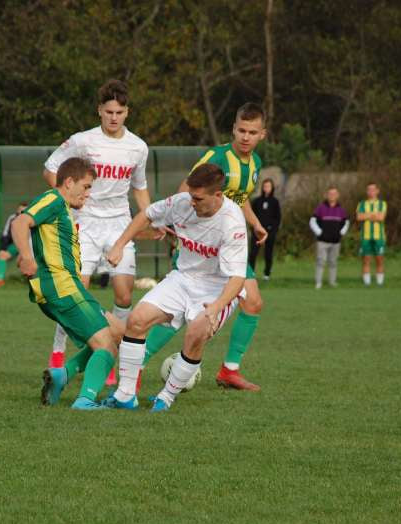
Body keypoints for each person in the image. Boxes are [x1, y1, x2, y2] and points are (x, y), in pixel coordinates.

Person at [141, 102, 268, 392]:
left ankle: (229, 371)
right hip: (200, 243)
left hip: (228, 243)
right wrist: (180, 229)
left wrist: (256, 222)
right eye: (241, 130)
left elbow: (239, 197)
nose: (245, 137)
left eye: (252, 132)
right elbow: (189, 190)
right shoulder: (218, 156)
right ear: (233, 129)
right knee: (178, 310)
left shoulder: (255, 164)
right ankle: (138, 361)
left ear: (262, 134)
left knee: (253, 302)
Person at [103, 163, 248, 412]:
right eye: (191, 195)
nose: (192, 202)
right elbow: (147, 214)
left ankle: (166, 397)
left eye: (198, 198)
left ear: (217, 195)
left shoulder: (232, 222)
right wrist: (119, 245)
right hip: (183, 278)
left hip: (217, 288)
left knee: (196, 334)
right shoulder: (182, 202)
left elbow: (237, 278)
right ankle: (125, 395)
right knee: (137, 320)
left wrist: (216, 307)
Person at [42, 79, 150, 374]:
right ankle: (58, 354)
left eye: (120, 112)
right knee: (76, 292)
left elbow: (139, 188)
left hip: (119, 224)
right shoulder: (83, 141)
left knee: (124, 294)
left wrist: (150, 216)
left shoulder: (138, 147)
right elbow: (50, 168)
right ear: (99, 110)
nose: (114, 117)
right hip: (85, 223)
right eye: (109, 111)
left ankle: (113, 353)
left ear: (127, 112)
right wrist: (70, 200)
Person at [11, 157, 124, 410]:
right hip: (61, 287)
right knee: (105, 343)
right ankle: (85, 400)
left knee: (118, 332)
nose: (88, 194)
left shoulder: (62, 208)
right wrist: (27, 257)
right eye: (85, 187)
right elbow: (21, 222)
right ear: (69, 182)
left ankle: (62, 375)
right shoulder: (53, 199)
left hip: (65, 287)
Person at [309, 187, 349, 288]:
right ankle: (318, 282)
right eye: (330, 194)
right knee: (320, 261)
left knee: (333, 262)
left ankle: (332, 282)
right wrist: (320, 233)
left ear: (337, 195)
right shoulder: (320, 208)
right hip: (322, 241)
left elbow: (346, 223)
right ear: (326, 195)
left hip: (336, 241)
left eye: (334, 194)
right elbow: (312, 222)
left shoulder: (341, 210)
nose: (332, 196)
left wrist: (341, 233)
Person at [249, 178, 281, 280]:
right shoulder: (257, 201)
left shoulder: (275, 202)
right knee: (253, 253)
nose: (266, 188)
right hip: (257, 232)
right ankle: (251, 273)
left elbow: (278, 218)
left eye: (268, 186)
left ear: (272, 188)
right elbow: (251, 215)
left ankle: (266, 274)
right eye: (265, 186)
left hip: (270, 232)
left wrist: (273, 229)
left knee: (268, 253)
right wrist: (253, 228)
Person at [356, 183, 387, 286]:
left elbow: (381, 218)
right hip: (365, 236)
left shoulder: (382, 204)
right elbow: (359, 217)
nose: (371, 192)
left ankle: (379, 282)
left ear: (377, 191)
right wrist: (373, 215)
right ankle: (367, 283)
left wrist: (367, 215)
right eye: (369, 190)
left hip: (379, 236)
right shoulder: (362, 204)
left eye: (373, 190)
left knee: (379, 259)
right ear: (366, 191)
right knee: (366, 259)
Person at [0, 201, 27, 287]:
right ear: (17, 210)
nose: (21, 213)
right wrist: (3, 249)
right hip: (15, 246)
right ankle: (0, 280)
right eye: (20, 210)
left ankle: (33, 281)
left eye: (24, 211)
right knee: (2, 255)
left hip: (29, 246)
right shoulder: (12, 218)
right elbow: (5, 235)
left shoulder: (32, 219)